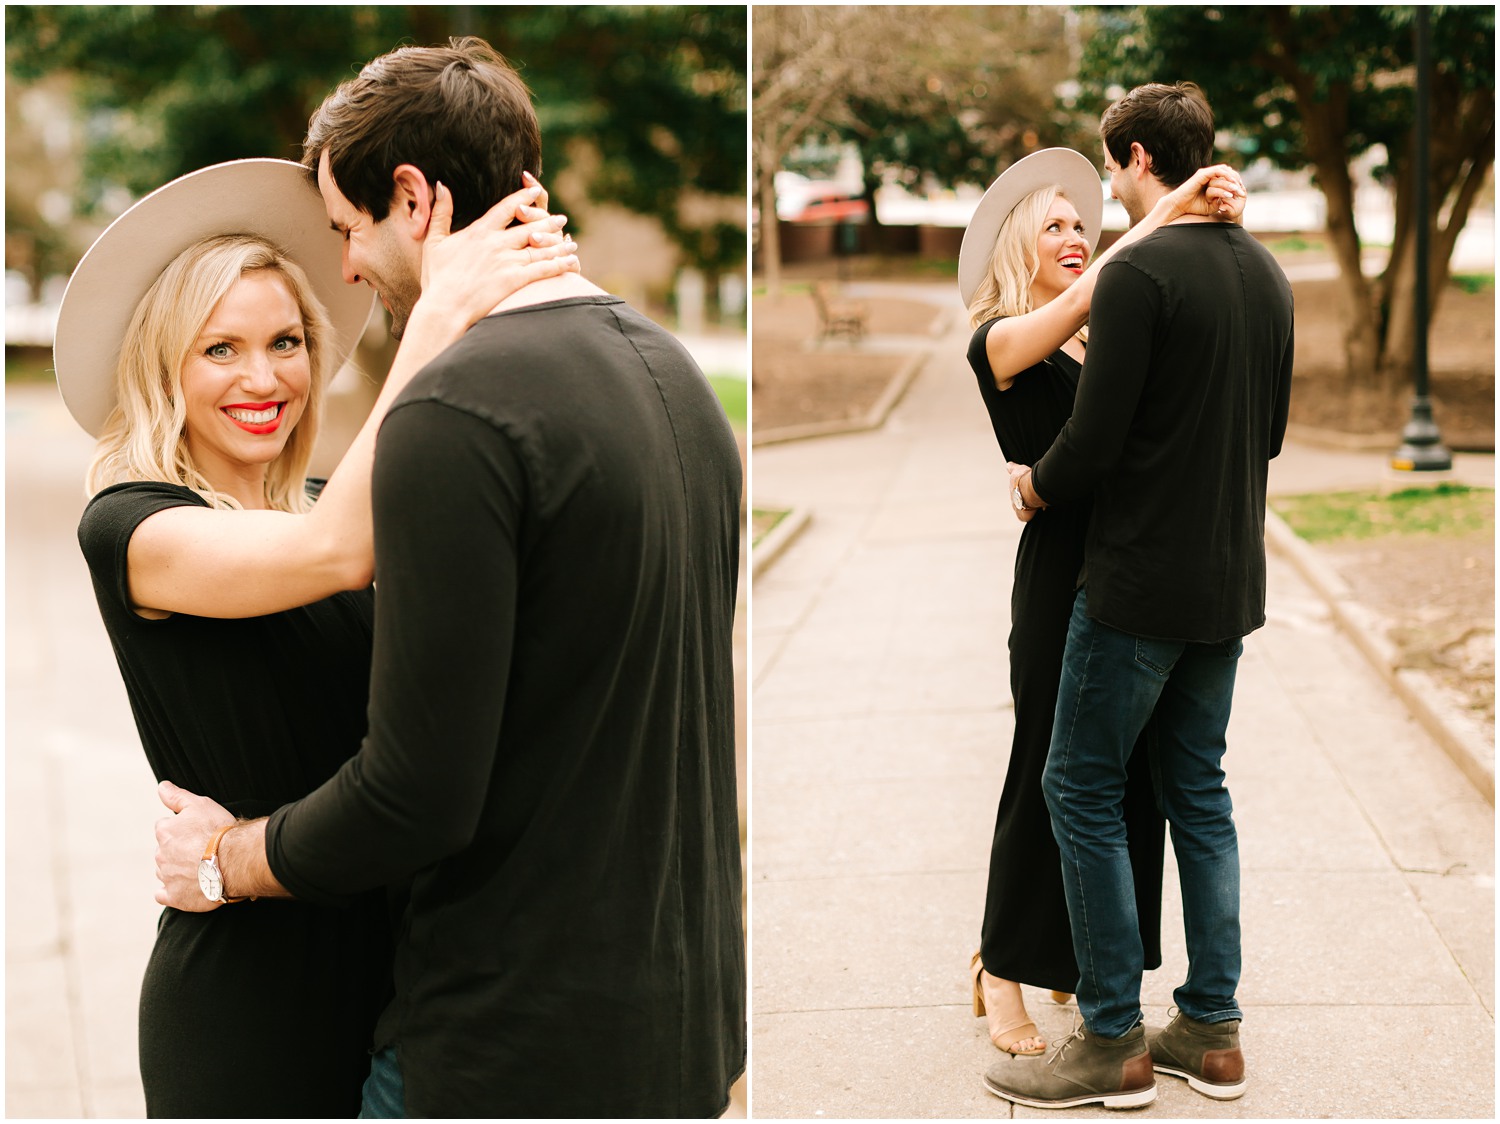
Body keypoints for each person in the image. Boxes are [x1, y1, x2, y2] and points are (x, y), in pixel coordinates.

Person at [149, 37, 746, 1118]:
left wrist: (230, 855)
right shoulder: (676, 372)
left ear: (413, 199)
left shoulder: (453, 413)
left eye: (346, 228)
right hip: (684, 1028)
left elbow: (414, 793)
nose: (345, 268)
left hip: (504, 1046)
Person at [60, 155, 577, 1117]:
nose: (265, 377)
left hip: (396, 979)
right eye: (220, 349)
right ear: (163, 366)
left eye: (288, 341)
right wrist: (436, 315)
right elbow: (330, 553)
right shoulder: (133, 525)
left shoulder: (317, 501)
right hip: (253, 994)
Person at [983, 83, 1294, 1111]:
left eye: (1105, 176)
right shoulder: (1268, 273)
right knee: (1198, 795)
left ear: (1132, 159)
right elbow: (1271, 436)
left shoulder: (1143, 273)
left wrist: (1034, 482)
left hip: (1134, 585)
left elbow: (1099, 443)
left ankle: (1112, 1036)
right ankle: (1211, 1026)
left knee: (1076, 786)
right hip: (1229, 584)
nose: (1098, 200)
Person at [960, 148, 1244, 1056]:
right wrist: (1174, 211)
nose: (1078, 238)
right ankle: (996, 969)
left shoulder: (1097, 329)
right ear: (1019, 246)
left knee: (1125, 786)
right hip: (1059, 577)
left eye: (1083, 224)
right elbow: (1105, 289)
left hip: (1129, 569)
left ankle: (1084, 961)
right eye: (1055, 226)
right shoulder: (1000, 335)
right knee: (1041, 779)